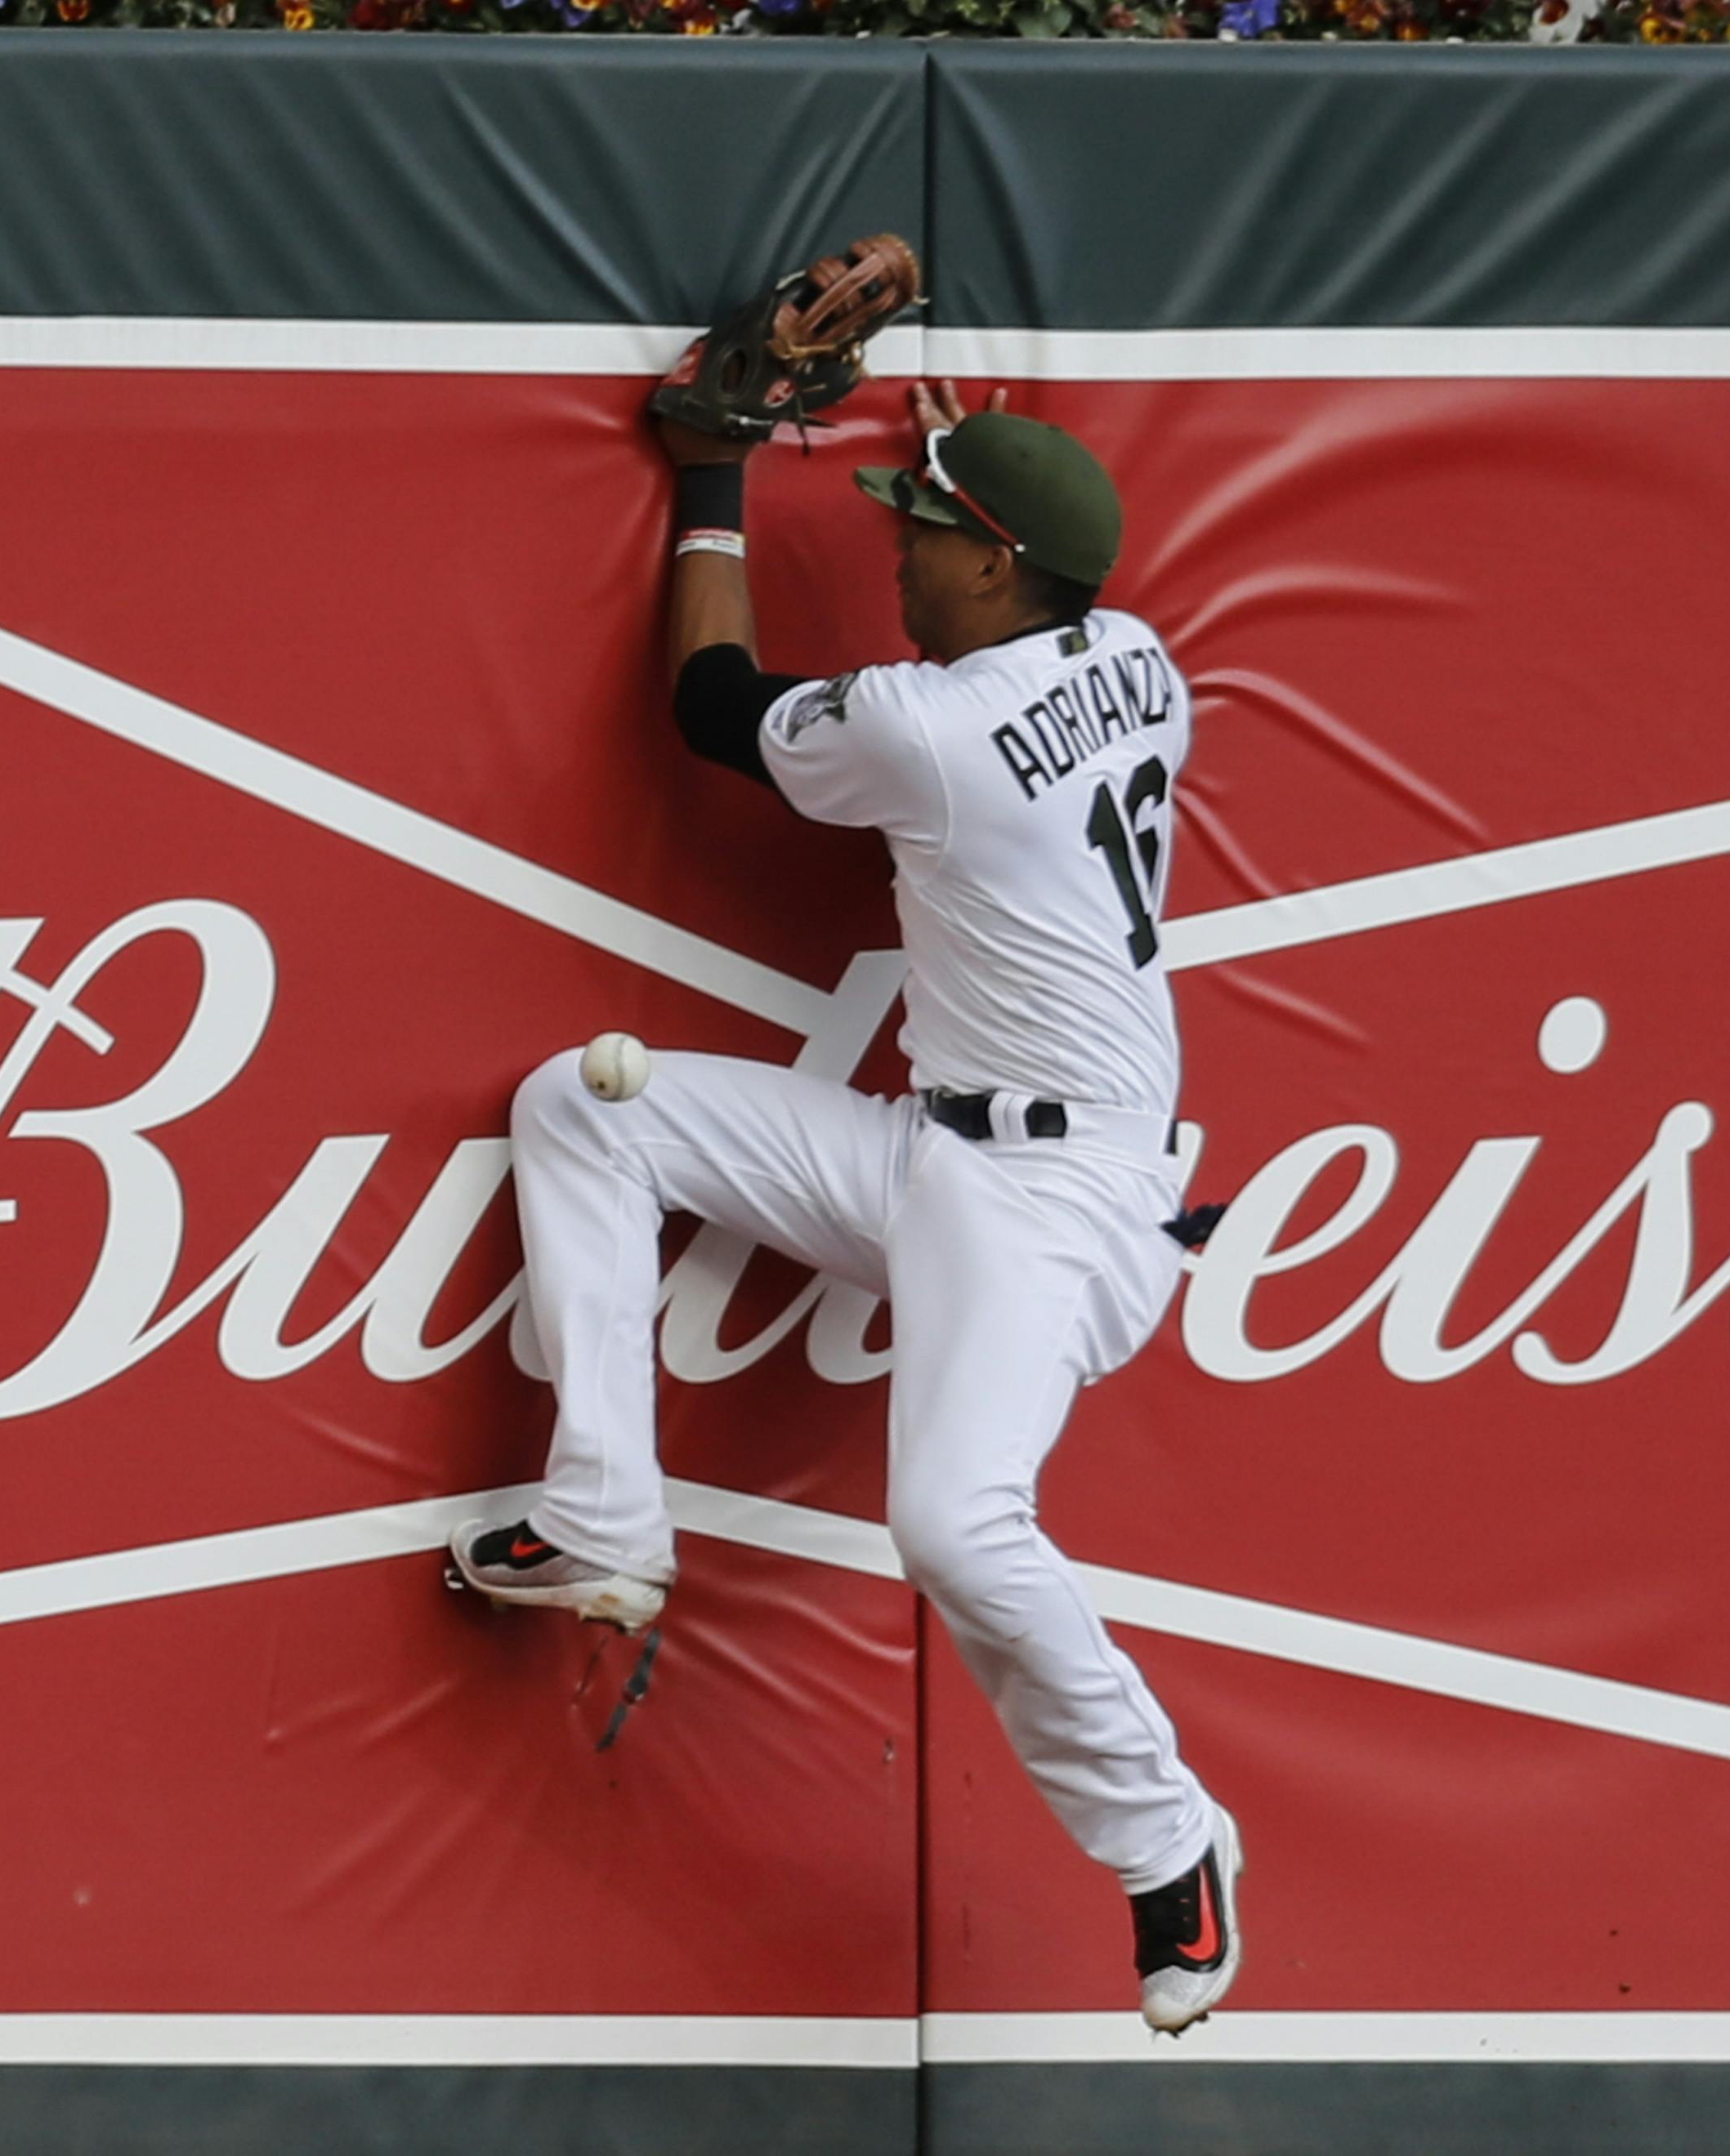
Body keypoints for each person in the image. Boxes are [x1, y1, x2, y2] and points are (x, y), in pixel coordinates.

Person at [449, 379, 1241, 2035]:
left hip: (1060, 1202)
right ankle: (604, 1510)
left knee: (955, 1521)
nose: (900, 554)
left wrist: (714, 473)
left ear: (999, 567)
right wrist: (974, 462)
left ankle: (1170, 1837)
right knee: (587, 1115)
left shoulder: (928, 729)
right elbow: (1034, 609)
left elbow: (713, 701)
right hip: (935, 1152)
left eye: (929, 531)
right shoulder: (1145, 659)